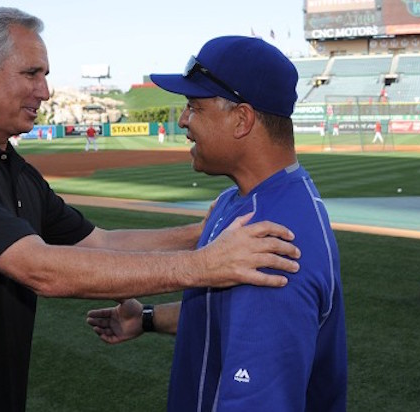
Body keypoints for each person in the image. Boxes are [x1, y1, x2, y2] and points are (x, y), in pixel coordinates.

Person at [0, 10, 301, 412]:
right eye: (31, 73)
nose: (45, 90)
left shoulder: (12, 168)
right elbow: (43, 270)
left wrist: (200, 232)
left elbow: (100, 242)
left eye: (45, 74)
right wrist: (204, 265)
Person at [88, 36, 347, 411]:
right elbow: (227, 315)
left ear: (242, 119)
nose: (182, 120)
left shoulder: (271, 243)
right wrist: (146, 319)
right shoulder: (243, 202)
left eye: (194, 106)